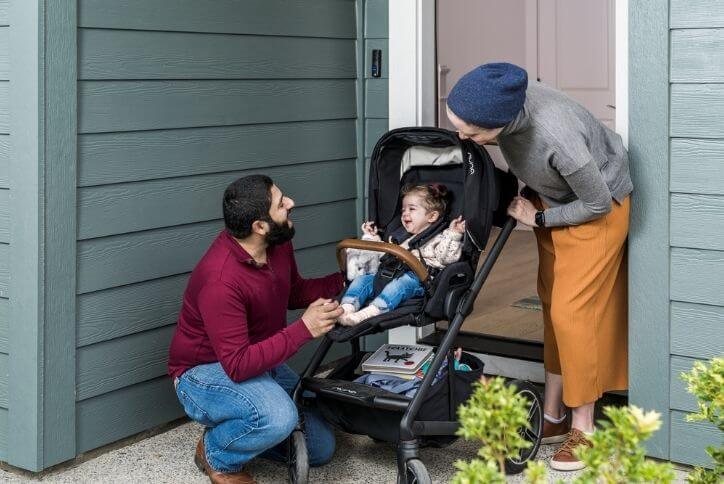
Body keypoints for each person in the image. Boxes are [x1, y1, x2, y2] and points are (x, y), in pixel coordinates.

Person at [446, 62, 632, 471]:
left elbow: (598, 203)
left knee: (572, 315)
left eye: (472, 132)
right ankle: (553, 416)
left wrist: (540, 220)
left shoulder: (556, 135)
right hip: (553, 201)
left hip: (595, 211)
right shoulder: (508, 108)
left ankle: (585, 429)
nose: (463, 137)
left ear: (502, 121)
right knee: (552, 308)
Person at [168, 175, 345, 484]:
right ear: (259, 226)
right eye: (281, 203)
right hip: (205, 373)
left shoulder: (276, 244)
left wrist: (345, 281)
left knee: (320, 448)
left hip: (259, 360)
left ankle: (247, 431)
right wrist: (304, 328)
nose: (291, 203)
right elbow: (237, 365)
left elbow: (292, 291)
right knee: (278, 418)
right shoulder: (220, 280)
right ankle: (217, 453)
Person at [339, 184, 466, 325]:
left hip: (418, 281)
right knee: (362, 280)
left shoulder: (440, 238)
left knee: (398, 286)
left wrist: (454, 234)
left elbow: (447, 258)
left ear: (432, 216)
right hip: (389, 275)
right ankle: (346, 308)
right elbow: (385, 257)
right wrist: (373, 238)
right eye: (403, 209)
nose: (405, 213)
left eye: (411, 209)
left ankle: (370, 312)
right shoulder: (401, 237)